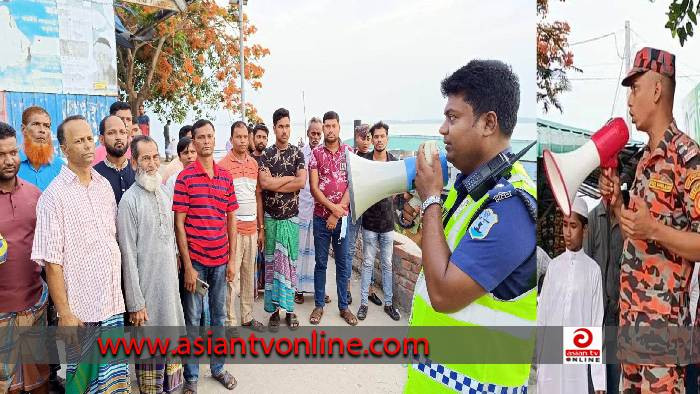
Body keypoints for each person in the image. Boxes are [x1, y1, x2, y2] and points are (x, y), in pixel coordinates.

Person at [401, 60, 537, 392]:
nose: (443, 129)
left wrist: (432, 197)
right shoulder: (474, 188)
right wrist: (413, 215)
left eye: (453, 117)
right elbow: (441, 256)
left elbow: (444, 294)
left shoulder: (512, 206)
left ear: (488, 123)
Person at [599, 47, 700, 392]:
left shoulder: (688, 158)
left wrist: (654, 228)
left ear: (657, 91)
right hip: (632, 323)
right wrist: (616, 204)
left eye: (635, 87)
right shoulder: (643, 161)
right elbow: (634, 229)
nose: (629, 99)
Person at [31, 115, 130, 393]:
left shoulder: (103, 186)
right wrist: (64, 314)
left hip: (112, 305)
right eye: (78, 141)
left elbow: (112, 241)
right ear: (64, 148)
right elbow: (52, 264)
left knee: (114, 382)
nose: (87, 145)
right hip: (82, 313)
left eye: (89, 138)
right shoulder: (53, 197)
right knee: (84, 384)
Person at [173, 119, 238, 392]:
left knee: (219, 318)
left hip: (221, 261)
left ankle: (218, 368)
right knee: (193, 320)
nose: (206, 141)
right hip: (196, 263)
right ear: (194, 141)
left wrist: (232, 259)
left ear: (214, 139)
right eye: (201, 137)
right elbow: (179, 223)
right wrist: (187, 266)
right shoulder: (185, 178)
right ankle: (191, 378)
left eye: (210, 136)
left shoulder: (225, 177)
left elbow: (231, 219)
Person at [117, 135, 185, 393]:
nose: (152, 163)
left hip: (169, 296)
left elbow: (171, 244)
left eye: (155, 156)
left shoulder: (164, 193)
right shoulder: (129, 202)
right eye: (145, 158)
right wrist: (135, 304)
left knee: (172, 369)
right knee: (150, 370)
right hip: (146, 302)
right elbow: (128, 256)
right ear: (134, 162)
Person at [0, 122, 50, 394]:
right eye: (1, 155)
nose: (9, 161)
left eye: (12, 152)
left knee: (39, 381)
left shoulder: (35, 195)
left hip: (34, 305)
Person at [537, 198, 605, 394]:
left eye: (573, 226)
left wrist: (598, 380)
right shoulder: (554, 266)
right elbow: (543, 316)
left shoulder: (593, 270)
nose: (567, 232)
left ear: (585, 230)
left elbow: (595, 325)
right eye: (565, 225)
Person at [258, 108, 306, 330]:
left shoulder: (298, 154)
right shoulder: (266, 155)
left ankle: (290, 311)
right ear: (274, 127)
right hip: (271, 219)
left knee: (289, 266)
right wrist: (289, 179)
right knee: (272, 266)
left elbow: (302, 183)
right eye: (280, 126)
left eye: (287, 126)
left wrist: (278, 181)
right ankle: (275, 311)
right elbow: (265, 184)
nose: (284, 130)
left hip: (291, 219)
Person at [308, 111, 357, 326]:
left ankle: (344, 307)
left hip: (342, 221)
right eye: (326, 126)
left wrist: (337, 213)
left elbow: (352, 184)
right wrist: (331, 211)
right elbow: (314, 188)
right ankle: (319, 305)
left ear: (339, 127)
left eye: (333, 126)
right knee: (320, 263)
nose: (329, 129)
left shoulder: (349, 152)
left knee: (343, 264)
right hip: (320, 219)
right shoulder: (315, 154)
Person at [217, 121, 265, 332]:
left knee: (248, 276)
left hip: (252, 230)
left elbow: (257, 197)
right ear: (231, 139)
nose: (243, 141)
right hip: (233, 232)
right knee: (232, 278)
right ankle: (230, 322)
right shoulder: (223, 166)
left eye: (246, 137)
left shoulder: (254, 164)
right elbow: (220, 204)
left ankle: (247, 317)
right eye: (239, 137)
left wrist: (260, 228)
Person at [584, 170, 628, 393]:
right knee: (589, 373)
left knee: (612, 375)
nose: (609, 185)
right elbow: (584, 265)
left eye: (614, 181)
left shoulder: (626, 221)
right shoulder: (591, 219)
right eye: (605, 180)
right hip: (593, 313)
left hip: (615, 313)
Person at [357, 121, 400, 321]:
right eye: (376, 136)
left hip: (388, 223)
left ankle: (389, 304)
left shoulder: (394, 162)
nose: (379, 139)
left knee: (387, 264)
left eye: (382, 136)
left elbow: (402, 189)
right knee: (367, 263)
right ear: (371, 139)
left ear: (387, 139)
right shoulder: (364, 160)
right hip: (369, 223)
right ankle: (364, 303)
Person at [345, 124, 377, 307]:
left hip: (371, 211)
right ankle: (347, 288)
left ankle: (371, 289)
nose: (366, 142)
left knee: (370, 252)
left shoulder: (375, 158)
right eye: (362, 137)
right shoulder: (352, 157)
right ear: (356, 138)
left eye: (368, 138)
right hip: (353, 210)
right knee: (349, 250)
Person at [295, 117, 323, 304]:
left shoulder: (323, 154)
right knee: (300, 251)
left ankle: (317, 290)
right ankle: (298, 289)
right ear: (307, 133)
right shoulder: (299, 154)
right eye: (312, 133)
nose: (315, 136)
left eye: (318, 134)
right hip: (303, 208)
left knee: (318, 253)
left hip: (320, 209)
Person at [17, 106, 63, 191]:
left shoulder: (60, 166)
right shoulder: (12, 165)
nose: (42, 130)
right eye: (36, 124)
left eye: (46, 126)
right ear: (23, 129)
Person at [93, 115, 135, 204]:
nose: (118, 137)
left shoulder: (138, 170)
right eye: (111, 133)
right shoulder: (94, 175)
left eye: (122, 132)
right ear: (102, 139)